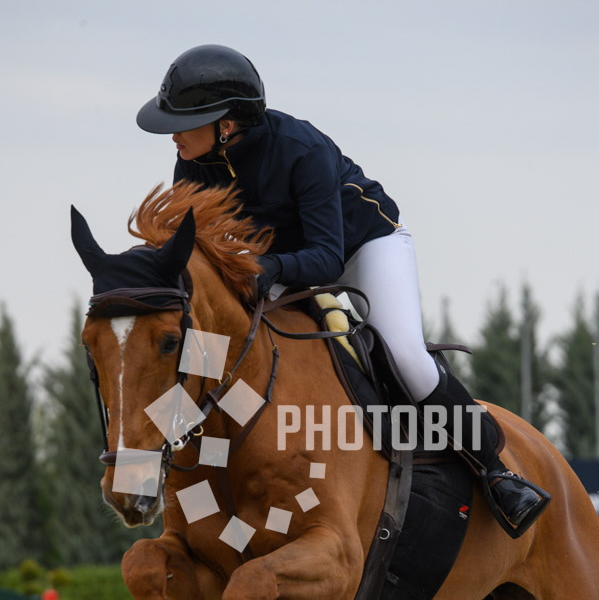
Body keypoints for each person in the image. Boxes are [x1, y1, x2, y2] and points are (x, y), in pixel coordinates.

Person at [136, 44, 549, 536]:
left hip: (362, 248)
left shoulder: (300, 149)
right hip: (276, 261)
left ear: (226, 124)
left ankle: (497, 473)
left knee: (405, 357)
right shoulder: (192, 165)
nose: (173, 134)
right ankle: (149, 464)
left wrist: (264, 269)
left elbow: (326, 258)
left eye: (184, 123)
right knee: (213, 342)